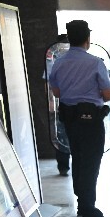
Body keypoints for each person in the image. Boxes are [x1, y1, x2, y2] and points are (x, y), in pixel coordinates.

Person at [48, 20, 110, 217]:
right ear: (88, 39)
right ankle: (89, 210)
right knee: (91, 163)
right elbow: (107, 95)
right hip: (91, 120)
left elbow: (56, 92)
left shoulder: (59, 62)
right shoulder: (95, 63)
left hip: (69, 118)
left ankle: (82, 204)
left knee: (77, 158)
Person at [45, 33, 71, 176]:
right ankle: (64, 166)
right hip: (61, 103)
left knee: (62, 136)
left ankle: (64, 166)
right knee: (61, 136)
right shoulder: (52, 60)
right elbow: (48, 83)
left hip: (62, 103)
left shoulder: (54, 60)